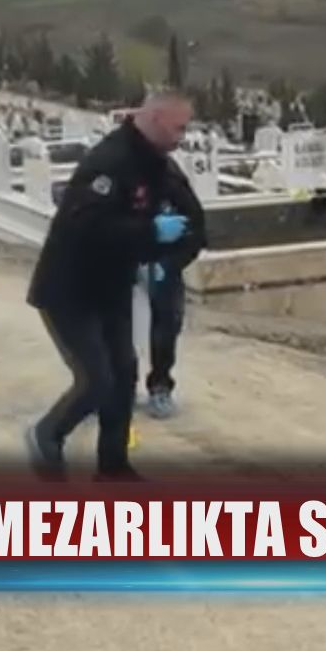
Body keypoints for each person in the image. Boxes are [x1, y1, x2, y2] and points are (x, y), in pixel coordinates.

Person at [25, 90, 195, 482]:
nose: (183, 136)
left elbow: (178, 210)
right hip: (69, 289)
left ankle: (114, 467)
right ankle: (47, 433)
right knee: (96, 379)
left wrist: (164, 251)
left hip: (112, 285)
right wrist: (149, 230)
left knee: (123, 376)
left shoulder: (155, 163)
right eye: (179, 127)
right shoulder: (109, 161)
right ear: (153, 119)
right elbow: (85, 225)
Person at [141, 153, 207, 419]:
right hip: (120, 258)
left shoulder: (170, 177)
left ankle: (160, 386)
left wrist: (172, 263)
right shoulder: (111, 175)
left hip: (162, 261)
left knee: (167, 323)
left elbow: (197, 229)